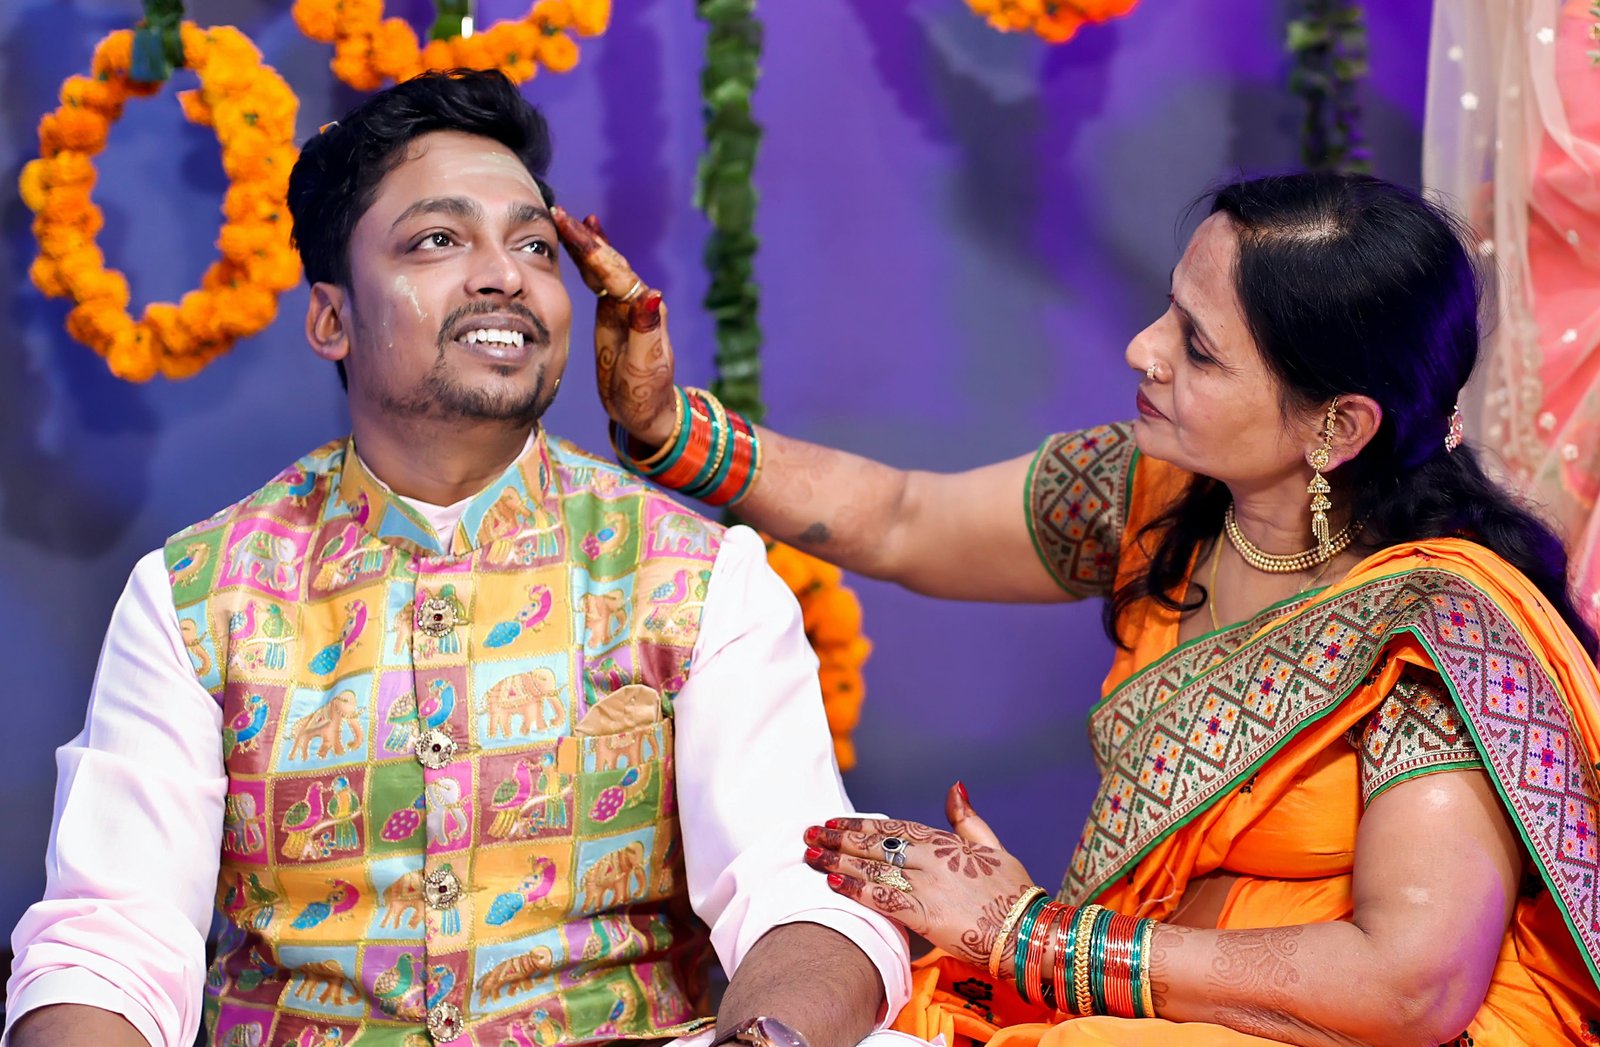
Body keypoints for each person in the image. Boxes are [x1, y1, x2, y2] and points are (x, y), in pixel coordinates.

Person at [557, 171, 1600, 1045]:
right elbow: (903, 517)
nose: (1142, 349)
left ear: (1336, 425)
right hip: (1140, 1006)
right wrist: (661, 427)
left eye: (1197, 347)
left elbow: (1410, 987)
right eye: (1167, 311)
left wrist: (1026, 936)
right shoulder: (1165, 502)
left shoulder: (1435, 631)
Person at [4, 70, 916, 1047]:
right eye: (438, 240)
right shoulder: (201, 594)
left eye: (532, 244)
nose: (504, 274)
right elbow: (113, 939)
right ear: (331, 318)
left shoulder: (692, 577)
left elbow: (802, 893)